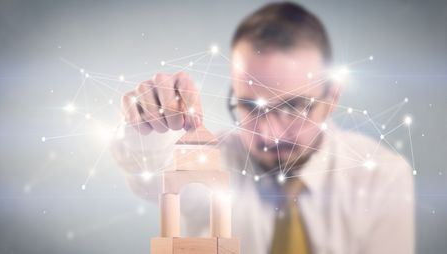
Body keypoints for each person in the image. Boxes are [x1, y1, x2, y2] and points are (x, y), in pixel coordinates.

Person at [112, 2, 414, 253]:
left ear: (332, 96)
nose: (270, 135)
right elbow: (153, 174)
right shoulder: (214, 160)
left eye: (294, 107)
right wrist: (150, 126)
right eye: (251, 106)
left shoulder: (381, 177)